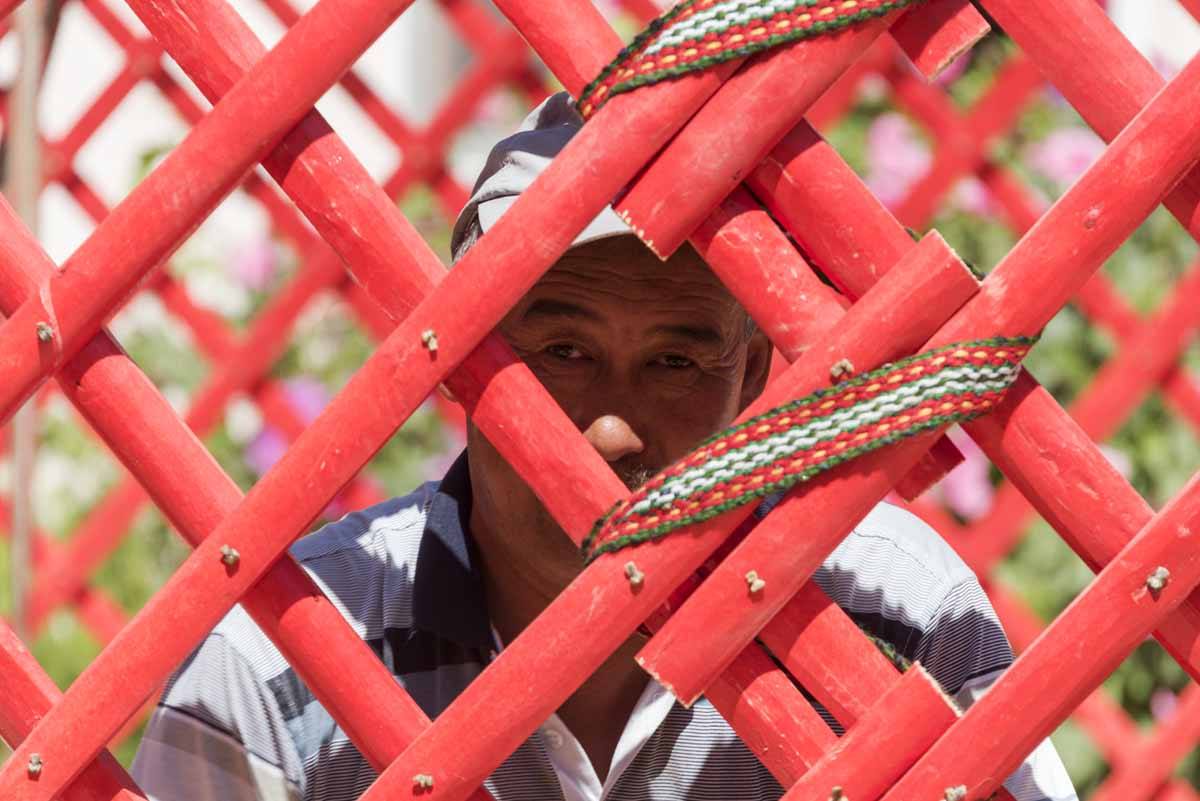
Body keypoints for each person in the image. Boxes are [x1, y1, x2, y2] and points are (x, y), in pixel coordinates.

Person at [132, 93, 1079, 801]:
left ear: (750, 378)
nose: (613, 427)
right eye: (563, 351)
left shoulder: (898, 613)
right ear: (465, 362)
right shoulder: (289, 653)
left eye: (675, 360)